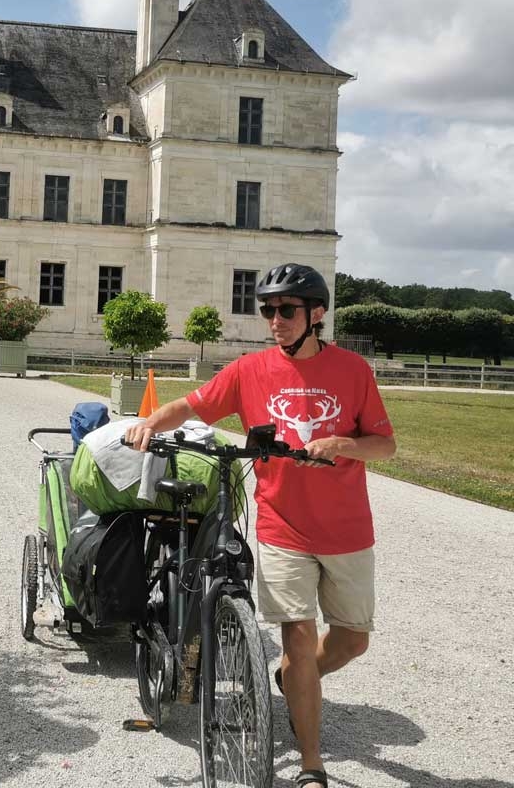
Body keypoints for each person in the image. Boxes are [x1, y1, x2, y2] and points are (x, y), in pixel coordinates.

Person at [125, 263, 395, 788]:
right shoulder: (250, 371)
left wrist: (345, 445)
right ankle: (312, 765)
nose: (275, 319)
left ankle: (294, 681)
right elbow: (193, 404)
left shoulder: (353, 370)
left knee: (350, 642)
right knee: (297, 635)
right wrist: (149, 422)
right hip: (281, 526)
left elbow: (385, 444)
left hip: (347, 529)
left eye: (286, 310)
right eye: (267, 310)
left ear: (317, 315)